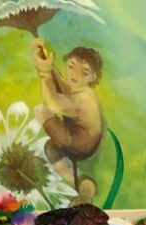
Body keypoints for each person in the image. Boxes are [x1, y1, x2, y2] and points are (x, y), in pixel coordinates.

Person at [30, 37, 104, 203]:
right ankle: (81, 184)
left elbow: (54, 103)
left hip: (79, 142)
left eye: (85, 72)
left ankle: (80, 186)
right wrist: (48, 64)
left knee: (43, 112)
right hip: (79, 140)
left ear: (93, 77)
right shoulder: (80, 89)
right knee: (50, 148)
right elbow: (63, 85)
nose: (75, 74)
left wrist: (44, 73)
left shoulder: (84, 97)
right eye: (71, 66)